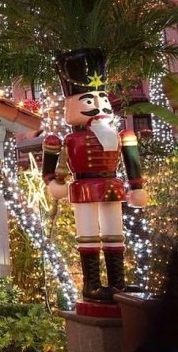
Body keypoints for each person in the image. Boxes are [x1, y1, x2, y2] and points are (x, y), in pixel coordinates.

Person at [43, 48, 146, 303]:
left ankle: (117, 284)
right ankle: (92, 284)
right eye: (90, 101)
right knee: (88, 234)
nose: (99, 107)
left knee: (114, 233)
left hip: (112, 185)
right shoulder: (66, 139)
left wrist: (137, 186)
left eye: (102, 100)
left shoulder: (122, 136)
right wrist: (52, 181)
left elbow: (132, 164)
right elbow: (49, 167)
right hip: (84, 187)